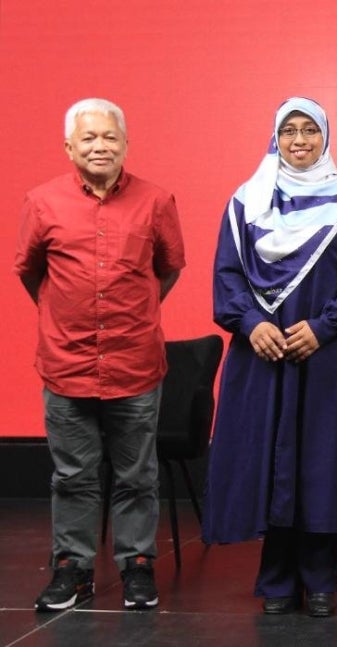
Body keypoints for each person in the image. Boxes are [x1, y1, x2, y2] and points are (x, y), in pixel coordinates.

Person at [202, 97, 337, 618]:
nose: (300, 141)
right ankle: (276, 579)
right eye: (289, 131)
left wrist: (324, 327)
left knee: (321, 460)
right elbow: (227, 274)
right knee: (271, 460)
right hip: (262, 352)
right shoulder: (247, 201)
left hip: (327, 353)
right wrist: (252, 322)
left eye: (310, 130)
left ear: (325, 137)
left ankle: (321, 578)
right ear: (274, 138)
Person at [15, 98, 186, 611]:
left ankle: (136, 565)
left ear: (126, 145)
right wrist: (64, 317)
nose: (100, 146)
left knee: (138, 474)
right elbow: (30, 272)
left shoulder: (156, 201)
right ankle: (73, 569)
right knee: (72, 476)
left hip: (134, 362)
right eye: (88, 138)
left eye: (110, 137)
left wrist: (133, 315)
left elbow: (168, 270)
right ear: (69, 147)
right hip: (66, 366)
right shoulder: (42, 202)